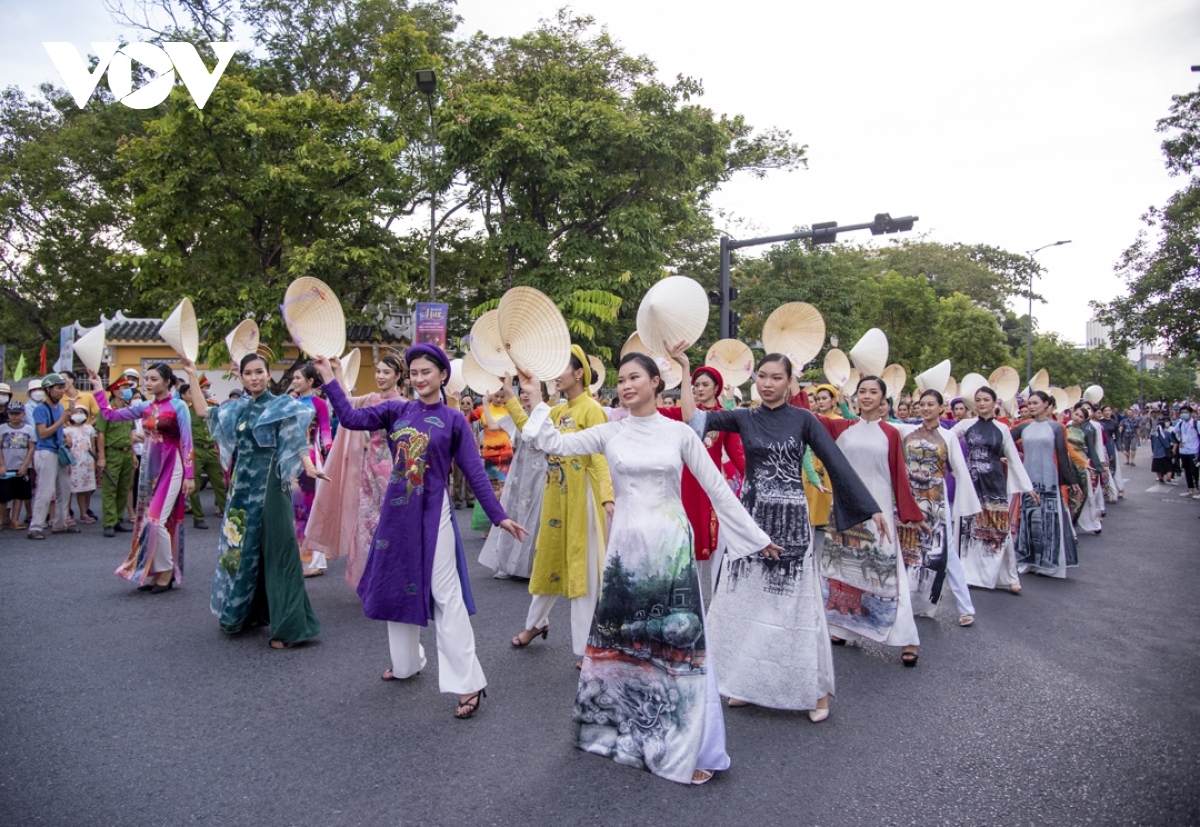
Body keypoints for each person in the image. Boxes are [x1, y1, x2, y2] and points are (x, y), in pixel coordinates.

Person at [518, 353, 780, 785]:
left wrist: (756, 538)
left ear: (657, 383)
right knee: (626, 644)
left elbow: (717, 489)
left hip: (671, 547)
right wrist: (536, 400)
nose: (625, 385)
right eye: (620, 380)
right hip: (626, 548)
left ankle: (692, 744)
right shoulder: (610, 431)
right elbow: (557, 446)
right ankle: (618, 732)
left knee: (678, 648)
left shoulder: (678, 433)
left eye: (634, 377)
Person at [313, 347, 526, 719]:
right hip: (396, 514)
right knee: (396, 583)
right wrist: (329, 377)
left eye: (427, 371)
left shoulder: (454, 419)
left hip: (434, 512)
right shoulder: (398, 410)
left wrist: (499, 516)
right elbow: (347, 417)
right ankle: (407, 663)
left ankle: (468, 682)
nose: (419, 378)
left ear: (443, 375)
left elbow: (474, 471)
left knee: (446, 595)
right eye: (414, 373)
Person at [688, 355, 884, 717]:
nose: (767, 383)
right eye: (761, 376)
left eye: (776, 377)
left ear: (789, 382)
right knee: (747, 606)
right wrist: (683, 367)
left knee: (796, 609)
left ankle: (816, 693)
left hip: (792, 522)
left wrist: (870, 508)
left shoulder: (804, 419)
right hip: (750, 523)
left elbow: (836, 462)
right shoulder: (744, 417)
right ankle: (747, 681)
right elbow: (694, 419)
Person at [184, 353, 325, 648]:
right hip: (241, 489)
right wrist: (191, 372)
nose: (254, 378)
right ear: (241, 377)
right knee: (240, 550)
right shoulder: (239, 407)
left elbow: (295, 439)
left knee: (280, 550)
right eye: (248, 373)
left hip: (272, 486)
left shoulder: (281, 404)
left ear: (267, 374)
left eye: (259, 372)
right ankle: (244, 612)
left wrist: (309, 465)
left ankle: (290, 627)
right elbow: (200, 411)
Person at [509, 346, 615, 666]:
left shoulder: (591, 409)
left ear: (579, 372)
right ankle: (535, 624)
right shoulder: (556, 411)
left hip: (583, 498)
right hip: (556, 497)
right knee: (550, 561)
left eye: (562, 368)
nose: (556, 373)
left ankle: (587, 645)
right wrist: (511, 395)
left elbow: (600, 456)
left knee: (582, 571)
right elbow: (532, 434)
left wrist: (608, 496)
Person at [820, 375, 926, 666]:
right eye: (862, 391)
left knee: (887, 571)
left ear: (883, 400)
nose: (867, 396)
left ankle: (906, 637)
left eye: (873, 392)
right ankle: (842, 628)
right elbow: (805, 414)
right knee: (843, 568)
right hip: (844, 507)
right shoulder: (841, 427)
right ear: (855, 397)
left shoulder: (891, 433)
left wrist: (911, 514)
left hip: (878, 509)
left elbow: (898, 476)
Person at [305, 354, 405, 590]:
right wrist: (337, 371)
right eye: (378, 371)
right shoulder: (370, 398)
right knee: (364, 527)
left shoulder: (402, 406)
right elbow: (346, 403)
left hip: (391, 472)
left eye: (386, 372)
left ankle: (388, 579)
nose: (380, 376)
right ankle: (368, 580)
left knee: (388, 528)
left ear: (399, 376)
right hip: (368, 471)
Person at [92, 363, 194, 592]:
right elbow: (110, 415)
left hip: (172, 465)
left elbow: (187, 441)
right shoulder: (145, 407)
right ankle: (155, 572)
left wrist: (190, 475)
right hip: (150, 468)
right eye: (146, 379)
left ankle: (167, 572)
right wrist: (99, 388)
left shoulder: (179, 407)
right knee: (148, 522)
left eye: (154, 379)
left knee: (155, 520)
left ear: (167, 381)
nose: (148, 383)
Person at [895, 389, 981, 627]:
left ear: (941, 407)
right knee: (908, 550)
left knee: (946, 552)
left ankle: (965, 608)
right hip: (909, 499)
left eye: (931, 404)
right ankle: (905, 602)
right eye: (922, 404)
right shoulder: (905, 431)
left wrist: (966, 504)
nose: (925, 408)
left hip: (936, 500)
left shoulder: (949, 436)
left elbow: (959, 472)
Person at [950, 386, 1034, 594]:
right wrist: (953, 468)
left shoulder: (1002, 429)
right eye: (978, 399)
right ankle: (969, 575)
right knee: (971, 531)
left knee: (999, 530)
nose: (981, 403)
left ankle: (1010, 577)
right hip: (972, 484)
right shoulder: (966, 425)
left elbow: (1013, 459)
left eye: (986, 399)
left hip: (994, 483)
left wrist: (1027, 487)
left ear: (994, 402)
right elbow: (946, 439)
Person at [479, 379, 546, 580]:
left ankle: (533, 567)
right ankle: (510, 564)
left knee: (537, 516)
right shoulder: (518, 417)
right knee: (515, 512)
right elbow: (491, 424)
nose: (525, 395)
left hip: (540, 473)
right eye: (522, 392)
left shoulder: (548, 416)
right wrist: (484, 403)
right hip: (519, 472)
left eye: (529, 391)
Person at [1010, 391, 1081, 578]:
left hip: (1049, 479)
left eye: (1035, 403)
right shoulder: (1023, 427)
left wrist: (1071, 482)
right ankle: (1026, 559)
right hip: (1028, 480)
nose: (1031, 406)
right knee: (1027, 520)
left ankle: (1049, 562)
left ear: (1047, 404)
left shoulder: (1057, 427)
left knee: (1049, 521)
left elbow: (1063, 454)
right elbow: (1005, 440)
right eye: (1029, 403)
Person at [289, 363, 333, 577]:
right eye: (293, 378)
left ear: (310, 381)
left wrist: (331, 456)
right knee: (296, 511)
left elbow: (326, 434)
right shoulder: (292, 403)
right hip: (292, 461)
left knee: (311, 510)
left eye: (298, 378)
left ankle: (316, 561)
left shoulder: (320, 404)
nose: (294, 381)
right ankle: (300, 557)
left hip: (312, 460)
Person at [27, 374, 77, 540]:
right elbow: (42, 433)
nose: (62, 391)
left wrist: (65, 438)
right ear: (48, 389)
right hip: (45, 451)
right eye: (58, 388)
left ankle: (60, 523)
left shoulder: (59, 408)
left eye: (63, 388)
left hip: (58, 449)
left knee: (65, 488)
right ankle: (35, 527)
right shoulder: (41, 409)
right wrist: (62, 421)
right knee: (45, 490)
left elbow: (57, 431)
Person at [468, 384, 514, 533]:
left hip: (506, 455)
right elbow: (464, 420)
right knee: (490, 490)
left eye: (502, 396)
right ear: (490, 395)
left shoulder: (508, 410)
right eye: (496, 396)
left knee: (505, 491)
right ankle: (488, 528)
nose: (499, 399)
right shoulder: (481, 410)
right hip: (489, 456)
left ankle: (503, 526)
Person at [184, 377, 227, 530]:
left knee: (220, 484)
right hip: (196, 449)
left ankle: (226, 515)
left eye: (207, 387)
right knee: (194, 486)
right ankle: (198, 517)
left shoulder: (213, 406)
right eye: (203, 387)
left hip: (211, 448)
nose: (206, 390)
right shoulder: (188, 409)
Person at [96, 378, 136, 538]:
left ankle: (118, 519)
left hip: (126, 452)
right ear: (116, 391)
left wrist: (133, 453)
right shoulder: (106, 410)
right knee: (110, 489)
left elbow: (130, 434)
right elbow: (101, 434)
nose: (128, 390)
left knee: (123, 487)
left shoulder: (128, 410)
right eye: (125, 387)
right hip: (112, 453)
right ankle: (109, 522)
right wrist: (102, 457)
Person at [0, 400, 36, 531]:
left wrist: (26, 464)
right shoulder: (2, 428)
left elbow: (31, 447)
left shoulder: (29, 429)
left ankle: (15, 520)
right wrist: (2, 465)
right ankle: (1, 519)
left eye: (17, 413)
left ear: (23, 414)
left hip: (21, 467)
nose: (14, 416)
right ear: (7, 414)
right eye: (11, 414)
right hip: (6, 467)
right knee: (3, 496)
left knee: (19, 495)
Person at [63, 402, 98, 523]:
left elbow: (93, 445)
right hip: (72, 463)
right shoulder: (67, 430)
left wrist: (94, 459)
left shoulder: (89, 428)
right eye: (76, 412)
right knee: (68, 489)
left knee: (85, 489)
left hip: (87, 462)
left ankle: (84, 512)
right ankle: (67, 514)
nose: (78, 415)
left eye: (81, 412)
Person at [1174, 405, 1199, 498]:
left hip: (1194, 451)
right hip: (1184, 451)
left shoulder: (1196, 423)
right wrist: (1178, 441)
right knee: (1187, 471)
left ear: (1191, 413)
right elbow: (1173, 433)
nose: (1184, 414)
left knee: (1195, 472)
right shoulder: (1180, 424)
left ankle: (1198, 490)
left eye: (1186, 412)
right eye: (1182, 412)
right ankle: (1190, 489)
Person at [1151, 414, 1178, 485]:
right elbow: (1175, 442)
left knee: (1158, 468)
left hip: (1156, 454)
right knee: (1169, 467)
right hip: (1165, 453)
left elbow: (1153, 445)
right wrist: (1173, 450)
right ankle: (1169, 478)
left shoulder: (1154, 435)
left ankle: (1160, 478)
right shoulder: (1167, 433)